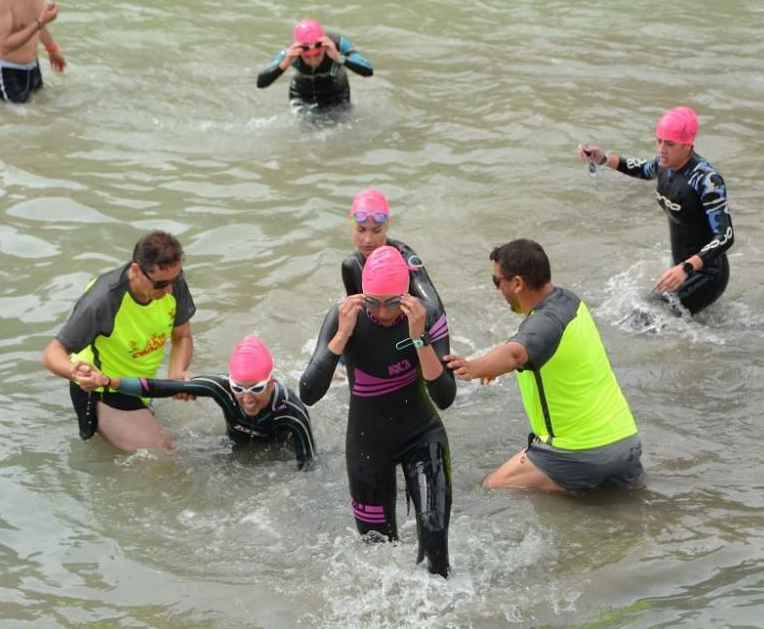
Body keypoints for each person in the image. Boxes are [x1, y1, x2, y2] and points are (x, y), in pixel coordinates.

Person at [300, 246, 455, 577]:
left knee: (434, 543)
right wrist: (342, 335)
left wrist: (418, 340)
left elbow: (444, 395)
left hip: (421, 433)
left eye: (392, 302)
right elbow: (309, 392)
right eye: (373, 301)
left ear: (405, 294)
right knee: (377, 553)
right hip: (367, 445)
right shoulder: (344, 316)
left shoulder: (427, 315)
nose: (383, 312)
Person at [444, 239, 643, 495]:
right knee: (623, 507)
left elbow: (515, 353)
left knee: (492, 488)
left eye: (497, 282)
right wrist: (494, 366)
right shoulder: (570, 302)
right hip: (625, 442)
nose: (497, 289)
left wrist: (473, 367)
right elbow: (529, 342)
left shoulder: (544, 322)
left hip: (579, 453)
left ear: (517, 283)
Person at [41, 231, 195, 453]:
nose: (170, 289)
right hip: (102, 390)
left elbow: (182, 337)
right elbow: (51, 354)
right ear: (135, 270)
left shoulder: (171, 281)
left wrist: (176, 375)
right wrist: (76, 373)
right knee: (166, 455)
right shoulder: (103, 300)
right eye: (161, 285)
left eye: (175, 279)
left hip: (140, 387)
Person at [577, 106, 734, 315]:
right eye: (659, 140)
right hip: (679, 269)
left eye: (670, 143)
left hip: (707, 273)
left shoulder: (706, 179)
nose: (661, 149)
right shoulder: (663, 164)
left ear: (687, 145)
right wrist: (602, 158)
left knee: (643, 316)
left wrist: (686, 267)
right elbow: (641, 168)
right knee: (645, 314)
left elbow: (725, 236)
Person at [112, 335, 316, 470]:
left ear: (271, 384)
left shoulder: (291, 413)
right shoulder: (221, 387)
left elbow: (308, 466)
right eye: (238, 389)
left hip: (276, 455)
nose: (247, 399)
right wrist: (109, 382)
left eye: (256, 389)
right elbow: (162, 387)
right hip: (233, 446)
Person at [341, 188, 445, 314]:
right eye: (361, 230)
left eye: (376, 230)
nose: (367, 239)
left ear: (387, 226)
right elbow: (356, 314)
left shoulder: (406, 259)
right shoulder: (351, 265)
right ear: (352, 226)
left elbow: (436, 310)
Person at [256, 18, 373, 112]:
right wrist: (285, 63)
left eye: (317, 55)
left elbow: (368, 70)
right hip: (301, 94)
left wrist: (338, 57)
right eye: (307, 56)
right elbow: (261, 82)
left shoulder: (337, 44)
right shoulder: (292, 52)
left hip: (338, 92)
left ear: (324, 47)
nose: (313, 61)